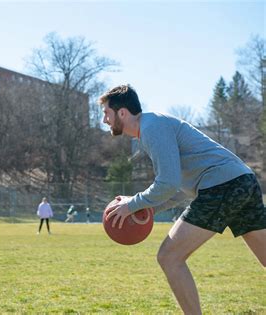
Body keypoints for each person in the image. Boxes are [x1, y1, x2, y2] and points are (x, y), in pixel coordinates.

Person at [99, 84, 266, 314]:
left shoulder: (151, 128)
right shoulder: (151, 126)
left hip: (223, 185)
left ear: (123, 113)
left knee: (169, 257)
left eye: (107, 113)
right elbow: (177, 187)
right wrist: (149, 208)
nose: (104, 119)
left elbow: (167, 183)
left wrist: (133, 204)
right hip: (242, 181)